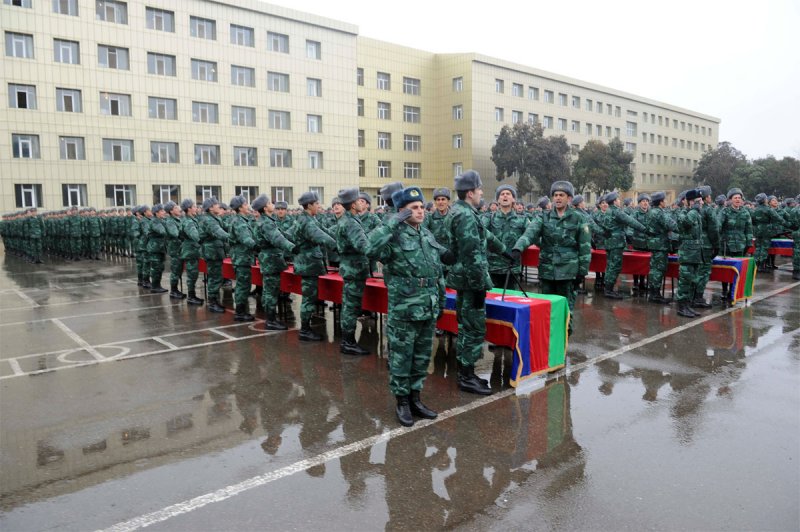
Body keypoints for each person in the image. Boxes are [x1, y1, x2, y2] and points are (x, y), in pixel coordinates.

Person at [366, 186, 444, 426]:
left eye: (422, 207)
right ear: (401, 212)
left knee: (421, 357)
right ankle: (402, 402)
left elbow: (436, 271)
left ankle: (416, 399)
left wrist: (439, 300)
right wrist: (392, 222)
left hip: (427, 306)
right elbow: (369, 248)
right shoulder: (393, 236)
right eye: (414, 208)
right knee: (402, 357)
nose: (421, 211)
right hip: (404, 309)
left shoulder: (426, 234)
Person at [445, 170, 508, 396]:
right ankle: (466, 376)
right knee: (473, 327)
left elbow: (486, 237)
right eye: (480, 190)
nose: (482, 193)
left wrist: (504, 251)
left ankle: (467, 373)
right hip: (471, 281)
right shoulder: (465, 216)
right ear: (470, 193)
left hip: (465, 279)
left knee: (467, 326)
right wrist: (479, 285)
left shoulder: (464, 212)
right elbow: (471, 254)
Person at [511, 181, 590, 336]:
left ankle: (562, 344)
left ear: (569, 198)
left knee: (565, 310)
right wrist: (518, 248)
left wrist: (582, 272)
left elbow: (585, 247)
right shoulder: (543, 217)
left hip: (568, 271)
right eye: (555, 195)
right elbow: (530, 233)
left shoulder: (578, 218)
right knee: (546, 308)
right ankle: (547, 345)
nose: (558, 198)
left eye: (562, 195)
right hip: (547, 270)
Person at [293, 191, 337, 341]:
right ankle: (305, 330)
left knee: (309, 297)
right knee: (308, 299)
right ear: (310, 205)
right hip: (308, 264)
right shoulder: (306, 222)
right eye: (317, 203)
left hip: (309, 263)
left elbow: (325, 231)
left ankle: (306, 328)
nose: (319, 206)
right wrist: (337, 247)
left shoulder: (309, 218)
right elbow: (321, 237)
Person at [251, 194, 295, 329]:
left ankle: (271, 317)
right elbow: (278, 239)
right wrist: (293, 248)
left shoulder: (268, 220)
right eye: (270, 202)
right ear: (265, 208)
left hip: (271, 258)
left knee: (270, 290)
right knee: (271, 290)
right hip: (270, 259)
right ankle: (270, 320)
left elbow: (282, 234)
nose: (273, 204)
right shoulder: (266, 223)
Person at [336, 188, 371, 356]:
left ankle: (347, 341)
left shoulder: (347, 220)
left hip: (351, 268)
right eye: (358, 201)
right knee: (351, 306)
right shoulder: (350, 222)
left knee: (350, 305)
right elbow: (364, 246)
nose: (360, 203)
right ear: (352, 204)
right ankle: (348, 342)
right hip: (354, 269)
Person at [598, 191, 647, 299]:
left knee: (610, 266)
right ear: (614, 201)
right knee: (615, 266)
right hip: (616, 243)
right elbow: (630, 221)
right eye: (618, 199)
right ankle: (609, 290)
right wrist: (645, 229)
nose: (619, 201)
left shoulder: (608, 211)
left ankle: (608, 288)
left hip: (609, 242)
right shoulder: (617, 212)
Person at [484, 185, 528, 289]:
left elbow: (530, 236)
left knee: (512, 300)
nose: (505, 196)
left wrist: (520, 248)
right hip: (493, 267)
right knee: (493, 301)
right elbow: (480, 234)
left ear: (513, 199)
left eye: (508, 194)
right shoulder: (489, 218)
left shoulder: (523, 220)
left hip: (512, 268)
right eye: (502, 194)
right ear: (498, 200)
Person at [675, 189, 706, 318]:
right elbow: (686, 223)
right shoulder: (682, 213)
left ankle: (687, 305)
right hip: (687, 253)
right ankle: (681, 307)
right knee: (685, 280)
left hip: (695, 253)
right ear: (691, 202)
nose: (702, 203)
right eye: (699, 201)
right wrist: (694, 209)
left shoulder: (695, 214)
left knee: (692, 281)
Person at [228, 195, 257, 321]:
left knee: (244, 284)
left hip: (243, 257)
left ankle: (241, 310)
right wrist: (259, 247)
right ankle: (239, 313)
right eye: (245, 204)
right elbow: (246, 240)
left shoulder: (242, 220)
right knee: (242, 285)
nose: (248, 206)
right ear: (240, 208)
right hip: (241, 258)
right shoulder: (239, 222)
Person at [645, 191, 677, 304]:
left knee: (654, 269)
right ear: (660, 202)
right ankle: (655, 295)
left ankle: (653, 293)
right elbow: (672, 225)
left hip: (654, 243)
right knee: (659, 269)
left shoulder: (651, 212)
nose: (666, 202)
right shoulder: (659, 213)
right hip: (660, 244)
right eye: (665, 200)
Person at [199, 197, 230, 313]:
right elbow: (219, 232)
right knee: (214, 277)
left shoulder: (214, 218)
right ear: (211, 208)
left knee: (216, 276)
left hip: (215, 251)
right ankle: (212, 302)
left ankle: (215, 301)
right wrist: (233, 238)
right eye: (217, 205)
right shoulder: (208, 220)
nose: (219, 206)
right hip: (212, 252)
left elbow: (225, 227)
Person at [692, 185, 719, 308]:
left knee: (695, 270)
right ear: (707, 197)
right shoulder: (708, 210)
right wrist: (716, 245)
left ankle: (692, 296)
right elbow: (714, 229)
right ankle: (698, 297)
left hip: (694, 243)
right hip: (706, 244)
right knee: (704, 271)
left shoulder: (694, 208)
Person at [179, 199, 204, 305]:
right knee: (192, 274)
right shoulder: (188, 222)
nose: (196, 208)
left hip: (192, 250)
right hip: (190, 251)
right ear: (189, 209)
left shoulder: (191, 219)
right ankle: (191, 297)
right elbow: (195, 236)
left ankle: (192, 296)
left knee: (193, 274)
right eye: (194, 206)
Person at [163, 201, 186, 299]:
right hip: (175, 249)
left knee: (179, 270)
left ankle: (176, 290)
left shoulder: (178, 219)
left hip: (180, 248)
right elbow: (175, 233)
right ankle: (173, 290)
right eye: (176, 208)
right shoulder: (170, 221)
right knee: (176, 270)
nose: (179, 209)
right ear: (171, 211)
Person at [147, 204, 169, 293]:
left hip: (160, 248)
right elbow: (163, 231)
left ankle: (158, 285)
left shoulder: (161, 220)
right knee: (156, 268)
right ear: (156, 213)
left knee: (160, 267)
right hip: (155, 248)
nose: (164, 212)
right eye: (162, 211)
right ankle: (155, 286)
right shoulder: (154, 222)